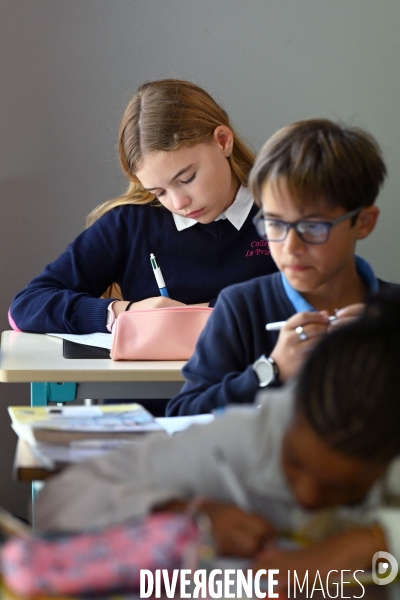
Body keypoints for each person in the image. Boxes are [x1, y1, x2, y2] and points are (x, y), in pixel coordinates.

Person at [34, 290, 400, 584]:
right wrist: (186, 515)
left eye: (343, 490)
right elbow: (56, 504)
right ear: (292, 414)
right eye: (294, 462)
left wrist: (371, 543)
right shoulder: (242, 441)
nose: (307, 495)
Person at [166, 118, 398, 416]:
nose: (290, 247)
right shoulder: (241, 307)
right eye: (275, 224)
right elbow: (183, 414)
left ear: (363, 223)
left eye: (312, 227)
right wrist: (271, 369)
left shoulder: (392, 313)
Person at [8, 79, 277, 334]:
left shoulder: (284, 214)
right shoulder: (130, 224)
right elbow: (26, 307)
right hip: (155, 383)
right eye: (158, 192)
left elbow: (315, 302)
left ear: (222, 142)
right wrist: (124, 313)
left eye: (187, 178)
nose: (178, 203)